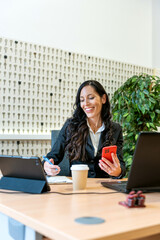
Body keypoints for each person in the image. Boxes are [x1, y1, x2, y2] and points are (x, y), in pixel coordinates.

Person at [44, 80, 126, 178]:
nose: (86, 104)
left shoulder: (115, 129)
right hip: (78, 186)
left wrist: (118, 171)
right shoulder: (71, 126)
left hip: (103, 188)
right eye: (82, 100)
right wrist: (46, 166)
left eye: (91, 98)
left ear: (103, 99)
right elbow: (52, 156)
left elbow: (121, 165)